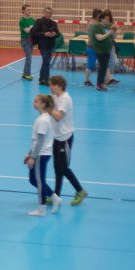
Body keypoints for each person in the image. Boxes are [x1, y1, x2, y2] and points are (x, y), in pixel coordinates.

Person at [47, 76, 87, 205]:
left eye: (52, 85)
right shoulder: (54, 97)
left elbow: (58, 116)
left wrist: (48, 108)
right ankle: (56, 196)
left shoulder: (65, 99)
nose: (50, 87)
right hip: (56, 137)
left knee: (64, 168)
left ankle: (80, 190)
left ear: (60, 86)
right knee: (57, 168)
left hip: (65, 138)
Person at [26, 93, 61, 216]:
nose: (34, 103)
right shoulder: (42, 118)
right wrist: (29, 153)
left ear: (43, 104)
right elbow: (35, 140)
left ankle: (42, 209)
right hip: (38, 153)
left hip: (41, 154)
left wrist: (33, 157)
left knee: (39, 181)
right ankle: (54, 197)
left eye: (36, 101)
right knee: (33, 179)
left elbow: (40, 141)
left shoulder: (43, 120)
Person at [30, 7, 61, 85]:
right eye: (47, 12)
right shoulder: (39, 22)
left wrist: (54, 34)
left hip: (51, 45)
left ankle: (42, 79)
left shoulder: (54, 23)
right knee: (46, 61)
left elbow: (58, 33)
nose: (48, 14)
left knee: (46, 62)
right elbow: (34, 33)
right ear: (43, 13)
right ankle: (46, 79)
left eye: (50, 13)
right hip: (43, 45)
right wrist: (44, 34)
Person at [18, 4, 37, 80]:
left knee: (29, 58)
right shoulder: (22, 21)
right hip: (25, 41)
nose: (29, 11)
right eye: (28, 10)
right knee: (29, 57)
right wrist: (31, 27)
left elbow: (35, 30)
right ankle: (27, 74)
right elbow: (27, 30)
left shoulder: (32, 20)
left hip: (31, 41)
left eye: (30, 10)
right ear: (23, 11)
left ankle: (24, 74)